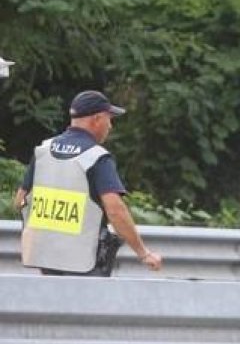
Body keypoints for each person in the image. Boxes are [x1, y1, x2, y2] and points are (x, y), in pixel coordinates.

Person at [14, 90, 162, 276]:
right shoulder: (95, 156)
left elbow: (20, 201)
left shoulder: (44, 150)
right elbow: (116, 211)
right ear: (97, 119)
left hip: (47, 259)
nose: (110, 126)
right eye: (109, 119)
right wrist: (144, 253)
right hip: (84, 262)